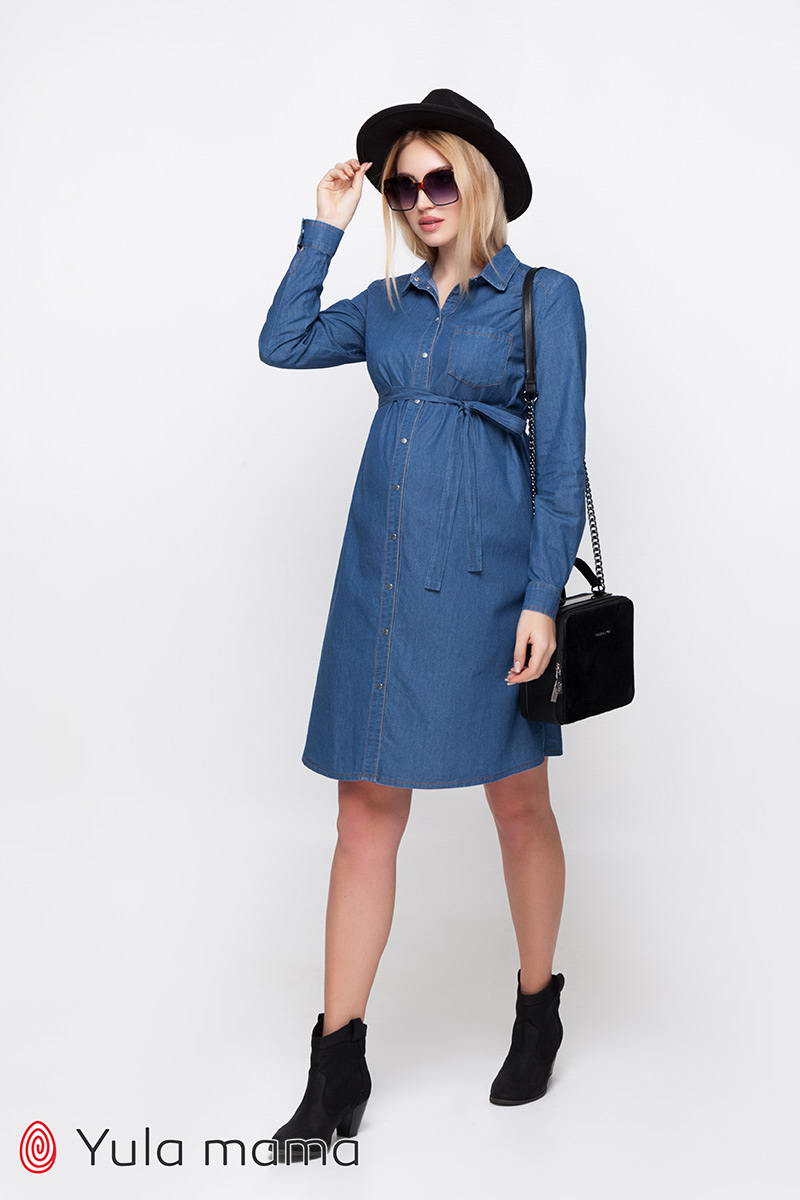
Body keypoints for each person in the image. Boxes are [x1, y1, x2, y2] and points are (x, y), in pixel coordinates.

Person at [258, 89, 587, 1161]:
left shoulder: (540, 298)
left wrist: (541, 599)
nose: (419, 199)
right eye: (403, 186)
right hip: (379, 585)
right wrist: (326, 225)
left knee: (518, 800)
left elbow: (561, 467)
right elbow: (282, 343)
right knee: (362, 811)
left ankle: (536, 1009)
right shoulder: (386, 304)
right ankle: (336, 1064)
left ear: (477, 181)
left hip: (492, 589)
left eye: (437, 178)